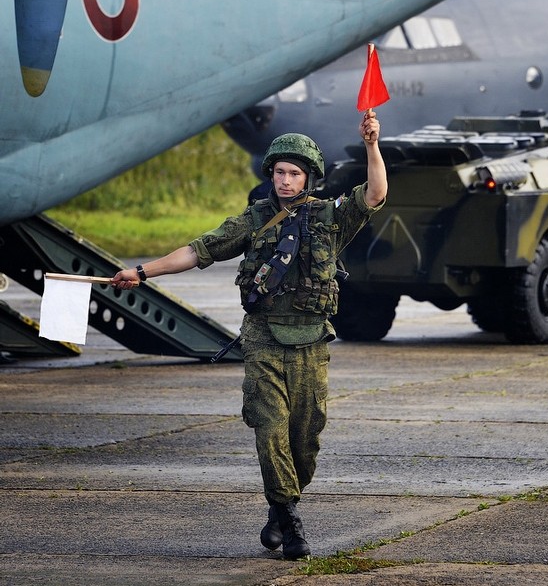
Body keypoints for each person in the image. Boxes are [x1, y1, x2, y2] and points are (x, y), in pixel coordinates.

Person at [111, 111, 388, 559]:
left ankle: (279, 508)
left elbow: (376, 193)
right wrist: (142, 271)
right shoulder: (255, 218)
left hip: (311, 341)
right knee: (270, 428)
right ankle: (292, 523)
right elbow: (199, 250)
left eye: (294, 173)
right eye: (279, 171)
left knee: (306, 438)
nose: (285, 180)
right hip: (263, 339)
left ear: (308, 178)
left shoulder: (331, 218)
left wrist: (373, 145)